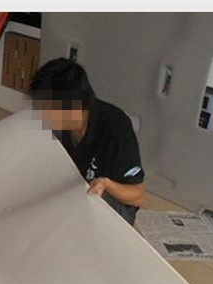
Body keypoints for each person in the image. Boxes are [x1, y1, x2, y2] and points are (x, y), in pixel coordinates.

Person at [29, 58, 145, 225]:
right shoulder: (59, 127)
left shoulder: (116, 128)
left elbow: (138, 196)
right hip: (75, 190)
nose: (43, 115)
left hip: (109, 202)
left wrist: (107, 184)